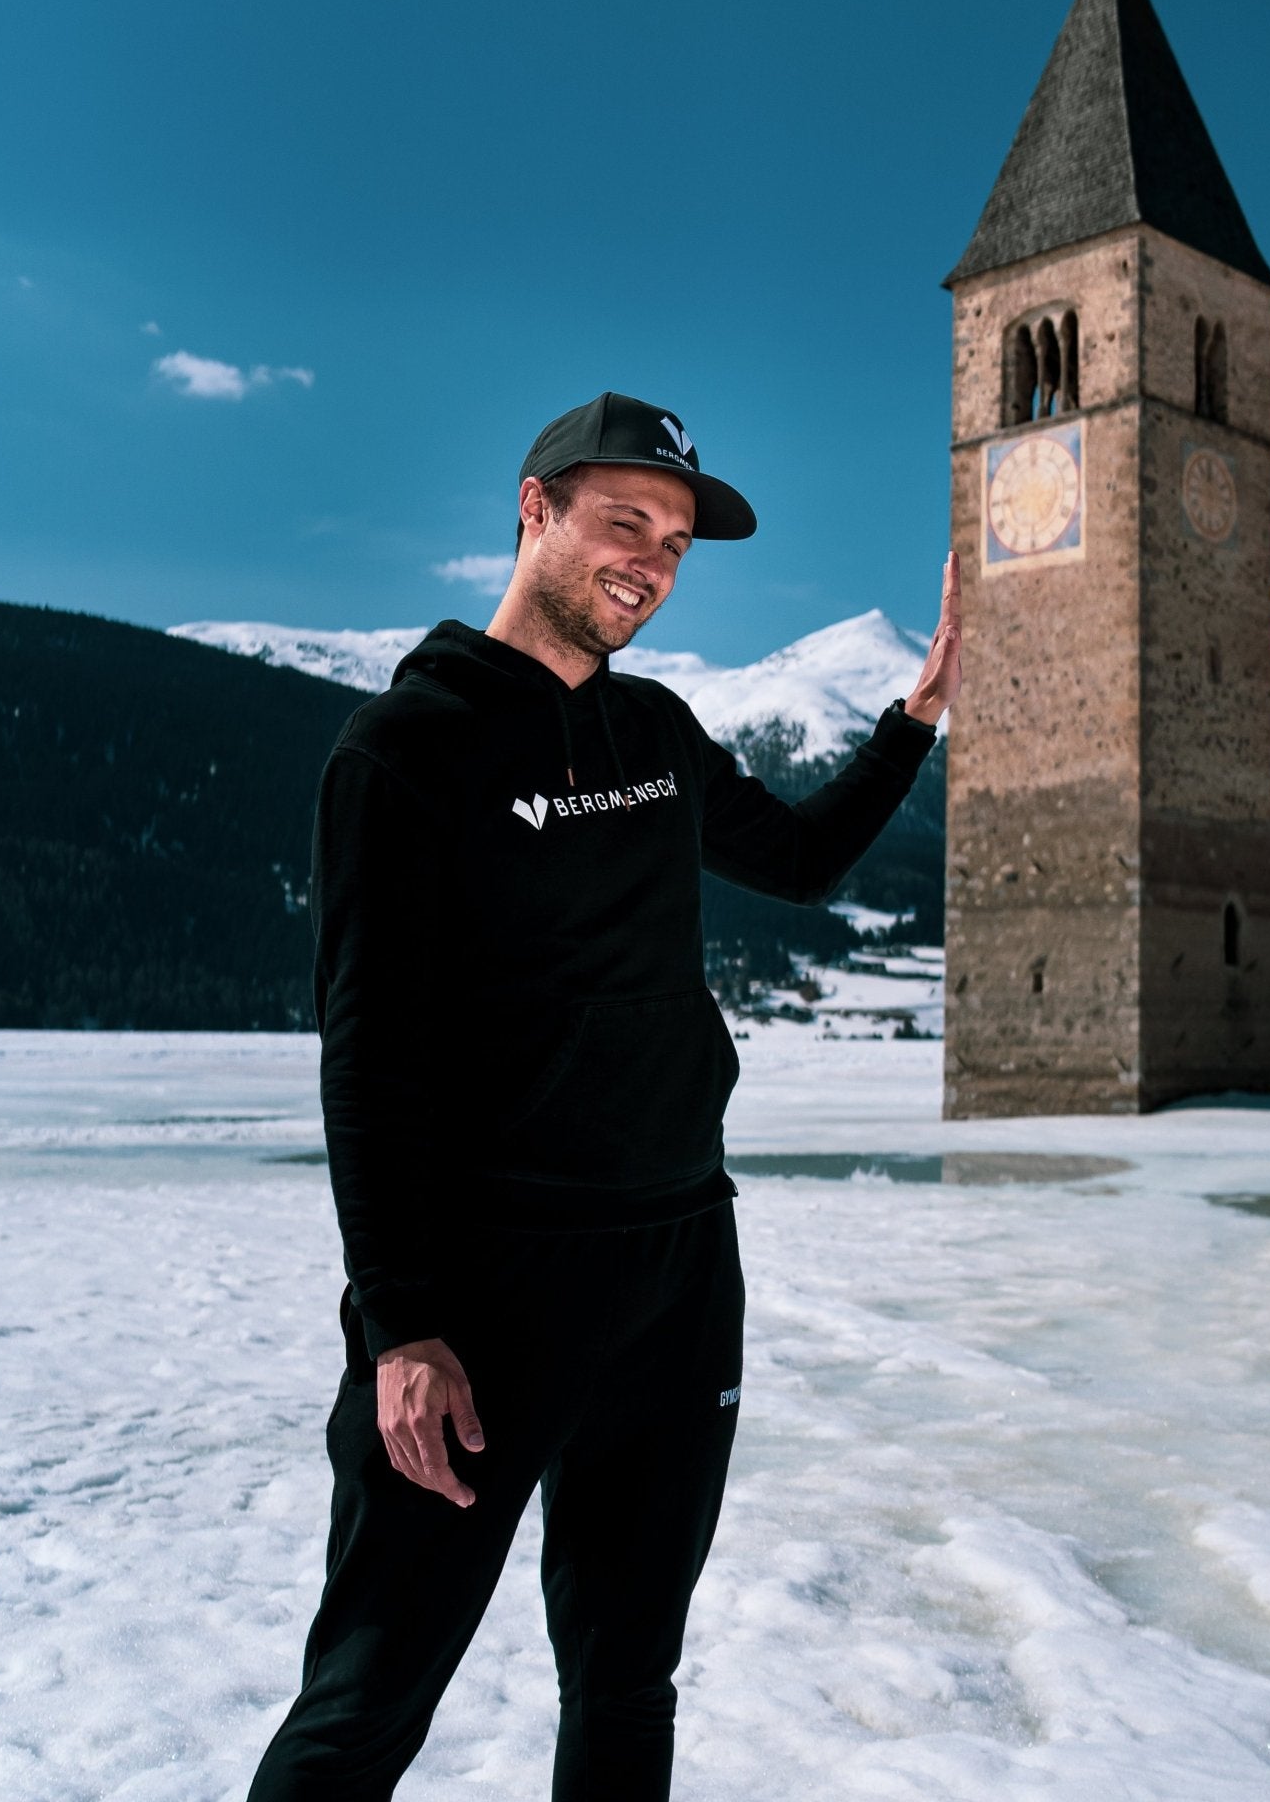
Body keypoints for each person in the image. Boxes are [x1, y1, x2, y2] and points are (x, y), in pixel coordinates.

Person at [247, 391, 960, 1800]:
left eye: (679, 541)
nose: (652, 560)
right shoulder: (405, 749)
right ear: (537, 511)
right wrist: (400, 1324)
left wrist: (912, 720)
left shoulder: (656, 733)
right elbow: (367, 1048)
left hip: (679, 1273)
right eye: (626, 521)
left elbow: (803, 863)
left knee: (629, 1683)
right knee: (369, 1700)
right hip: (487, 1295)